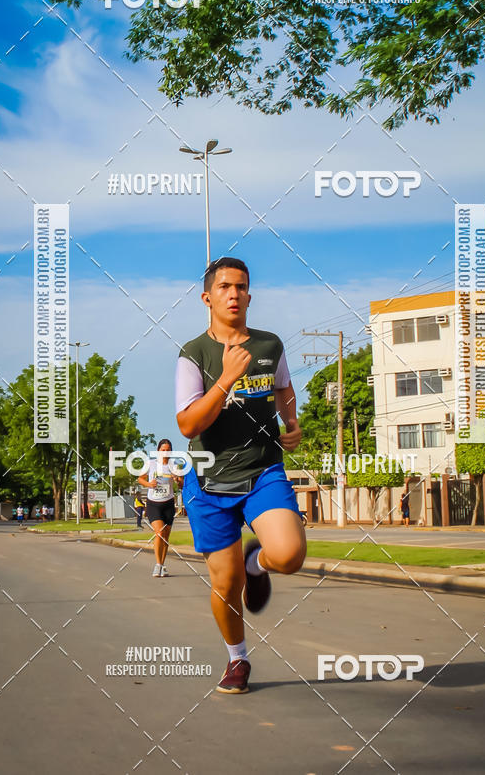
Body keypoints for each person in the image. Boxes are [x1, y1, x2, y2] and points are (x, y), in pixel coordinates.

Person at [176, 257, 306, 694]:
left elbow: (284, 388)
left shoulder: (269, 345)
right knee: (224, 583)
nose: (234, 294)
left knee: (288, 555)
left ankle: (258, 562)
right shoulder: (193, 354)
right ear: (207, 297)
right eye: (226, 286)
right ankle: (237, 659)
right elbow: (189, 424)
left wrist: (292, 424)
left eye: (242, 286)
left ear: (250, 294)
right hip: (210, 479)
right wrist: (227, 378)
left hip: (262, 468)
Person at [137, 439, 177, 576]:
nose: (165, 452)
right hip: (154, 503)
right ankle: (157, 564)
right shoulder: (151, 463)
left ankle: (162, 565)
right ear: (158, 450)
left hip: (169, 504)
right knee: (159, 533)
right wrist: (149, 484)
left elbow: (182, 483)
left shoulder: (174, 465)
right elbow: (140, 478)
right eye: (163, 450)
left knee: (165, 536)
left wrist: (177, 478)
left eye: (167, 450)